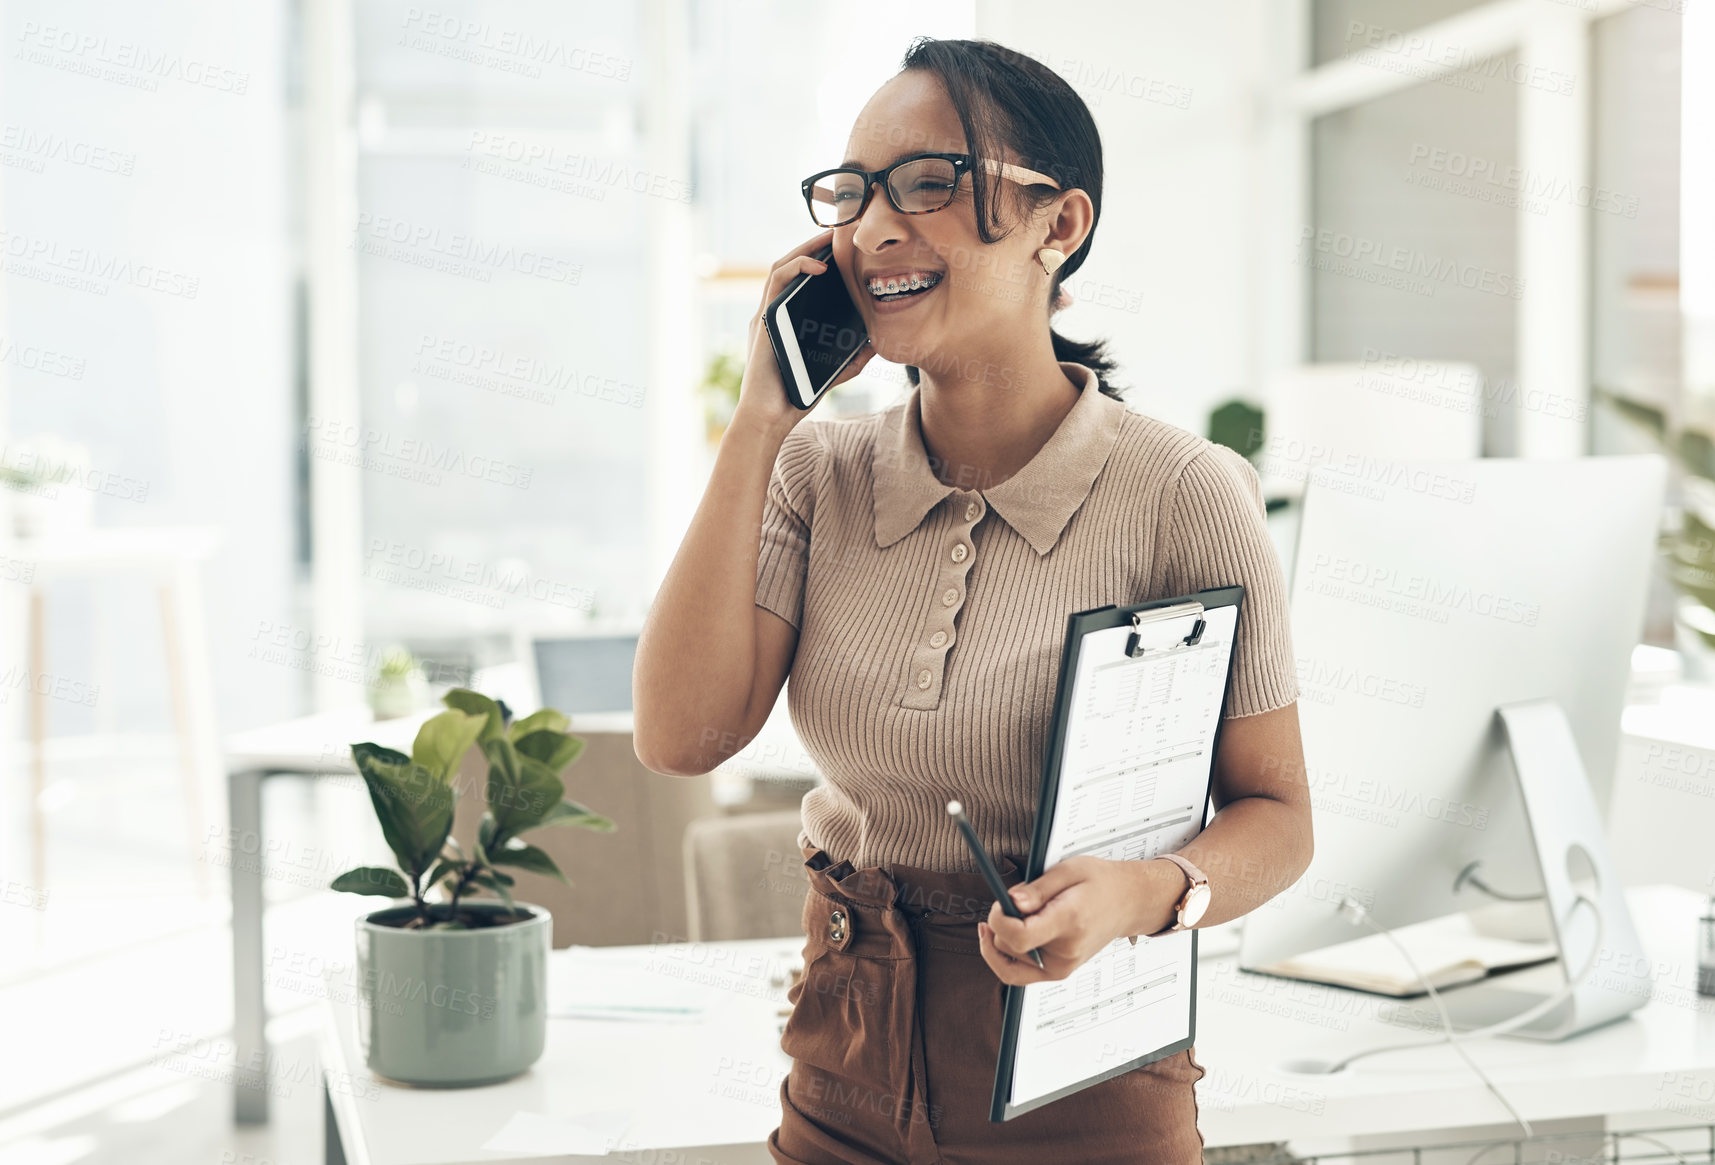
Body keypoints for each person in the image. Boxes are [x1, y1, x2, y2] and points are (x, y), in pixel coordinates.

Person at [633, 35, 1313, 1165]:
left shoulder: (1182, 493)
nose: (874, 228)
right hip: (842, 1062)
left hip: (1080, 1085)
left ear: (1060, 225)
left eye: (930, 183)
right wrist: (761, 418)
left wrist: (1148, 890)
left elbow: (1278, 820)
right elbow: (679, 736)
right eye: (851, 193)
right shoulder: (817, 473)